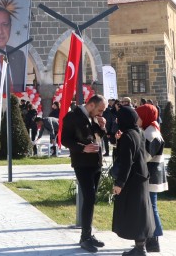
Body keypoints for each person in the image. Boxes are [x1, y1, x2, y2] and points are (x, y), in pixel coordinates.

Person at [60, 94, 108, 253]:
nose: (101, 113)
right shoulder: (72, 117)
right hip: (82, 163)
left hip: (96, 163)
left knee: (91, 198)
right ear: (92, 105)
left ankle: (87, 234)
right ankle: (85, 237)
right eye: (100, 110)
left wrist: (102, 126)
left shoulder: (94, 117)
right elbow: (65, 140)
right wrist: (82, 148)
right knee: (89, 197)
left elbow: (100, 136)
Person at [111, 105, 155, 256]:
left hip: (132, 180)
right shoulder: (138, 132)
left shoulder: (128, 136)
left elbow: (126, 162)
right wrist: (119, 142)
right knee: (140, 212)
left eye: (118, 118)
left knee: (134, 213)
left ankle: (140, 250)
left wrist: (119, 184)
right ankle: (140, 247)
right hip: (141, 177)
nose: (116, 120)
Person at [136, 104, 167, 253]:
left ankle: (154, 239)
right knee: (150, 206)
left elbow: (147, 156)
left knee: (151, 207)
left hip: (151, 175)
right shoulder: (149, 130)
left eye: (139, 116)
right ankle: (151, 238)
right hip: (152, 174)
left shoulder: (151, 133)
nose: (137, 119)